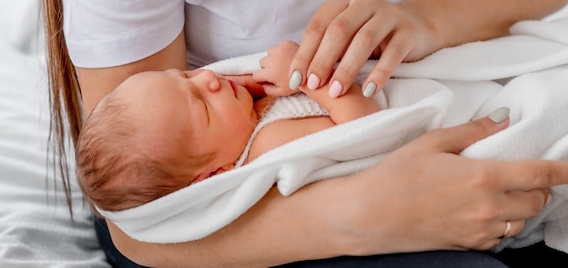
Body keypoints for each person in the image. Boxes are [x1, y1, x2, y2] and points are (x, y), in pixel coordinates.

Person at [37, 0, 568, 267]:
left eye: (196, 79)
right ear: (209, 173)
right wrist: (365, 214)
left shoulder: (246, 98)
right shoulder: (235, 156)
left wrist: (421, 20)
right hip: (239, 235)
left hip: (428, 84)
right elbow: (143, 221)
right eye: (196, 95)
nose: (211, 80)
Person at [77, 41, 381, 212]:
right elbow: (365, 130)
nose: (207, 78)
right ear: (216, 174)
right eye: (203, 106)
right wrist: (304, 76)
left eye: (184, 76)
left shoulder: (242, 116)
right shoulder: (268, 144)